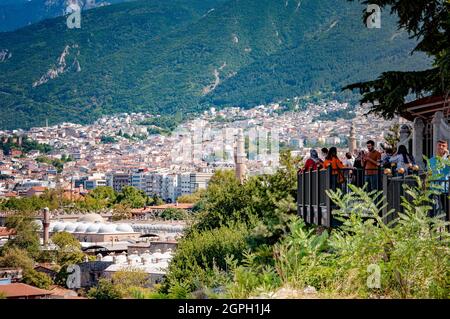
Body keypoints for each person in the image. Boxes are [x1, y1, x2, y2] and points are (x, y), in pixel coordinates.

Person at [428, 140, 450, 217]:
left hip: (446, 189)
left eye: (443, 146)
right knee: (433, 212)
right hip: (434, 189)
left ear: (446, 147)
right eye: (439, 145)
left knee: (448, 212)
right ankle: (432, 229)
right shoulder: (431, 160)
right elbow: (429, 174)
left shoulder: (448, 159)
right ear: (436, 147)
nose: (441, 147)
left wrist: (447, 155)